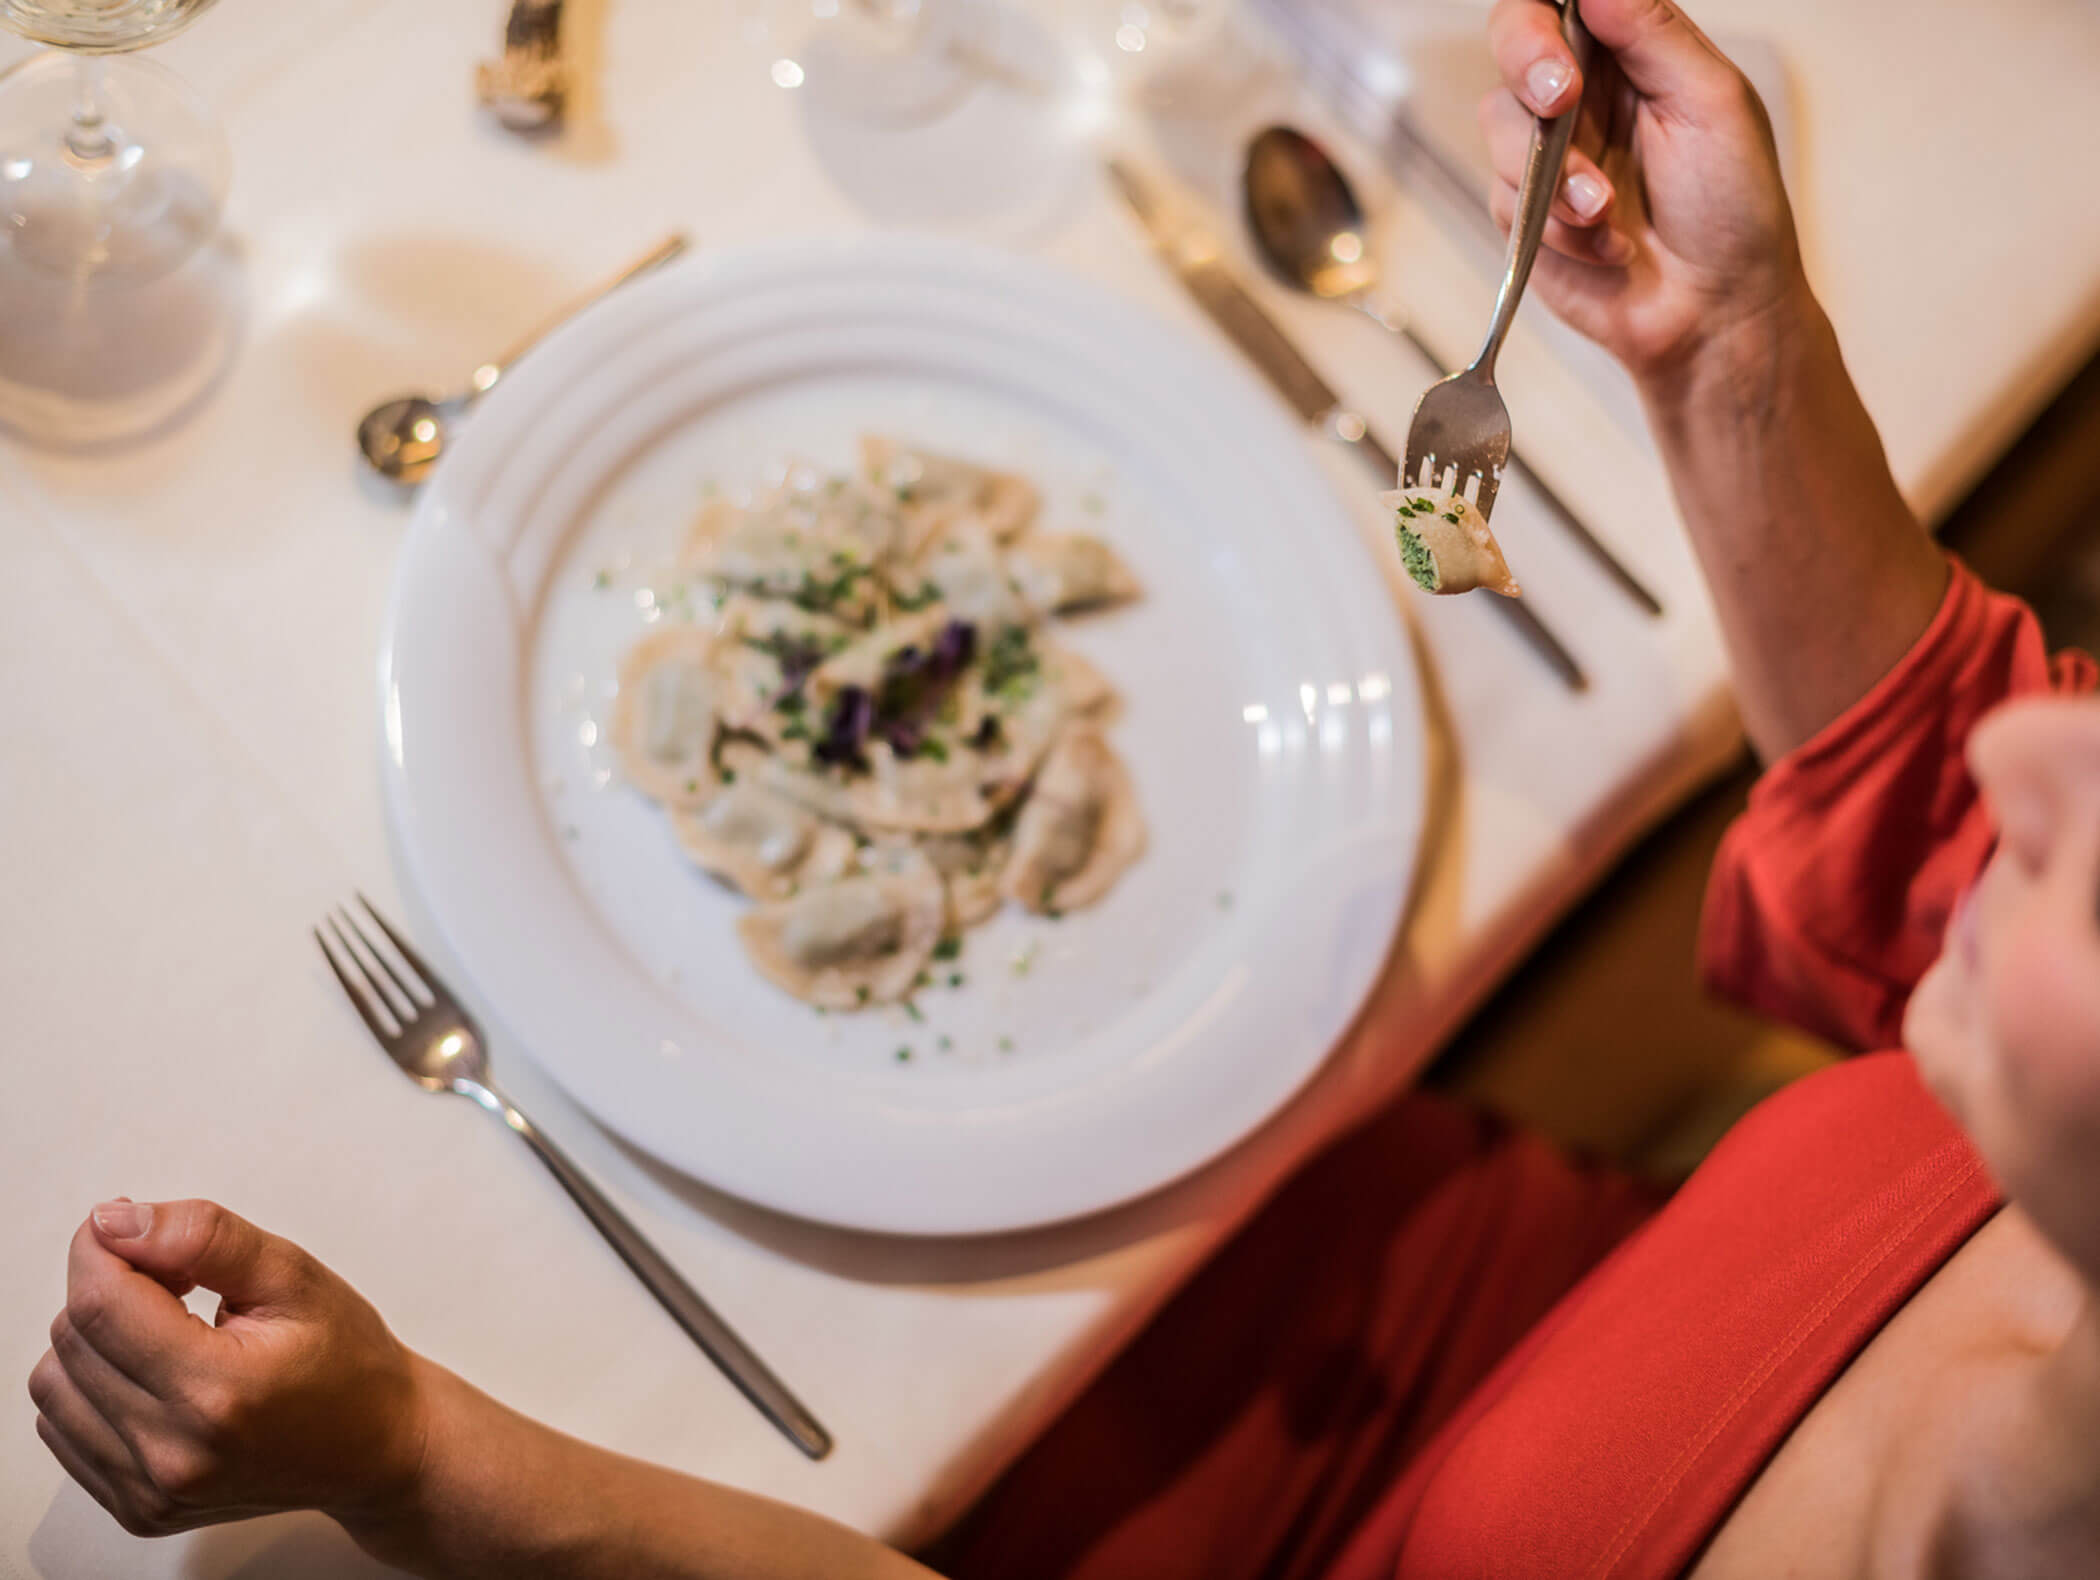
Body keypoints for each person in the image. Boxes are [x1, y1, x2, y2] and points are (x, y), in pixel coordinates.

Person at [27, 0, 2100, 1574]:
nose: (2048, 749)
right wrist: (1724, 340)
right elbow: (1938, 823)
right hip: (1486, 1256)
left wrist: (413, 1456)